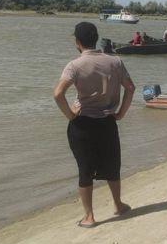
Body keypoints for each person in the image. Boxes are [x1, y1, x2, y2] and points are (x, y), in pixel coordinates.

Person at [53, 22, 135, 228]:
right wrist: (121, 114)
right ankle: (118, 205)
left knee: (85, 169)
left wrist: (70, 115)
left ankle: (89, 217)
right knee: (112, 164)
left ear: (77, 42)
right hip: (107, 121)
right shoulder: (115, 62)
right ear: (96, 38)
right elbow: (131, 88)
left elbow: (58, 93)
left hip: (82, 124)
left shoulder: (74, 65)